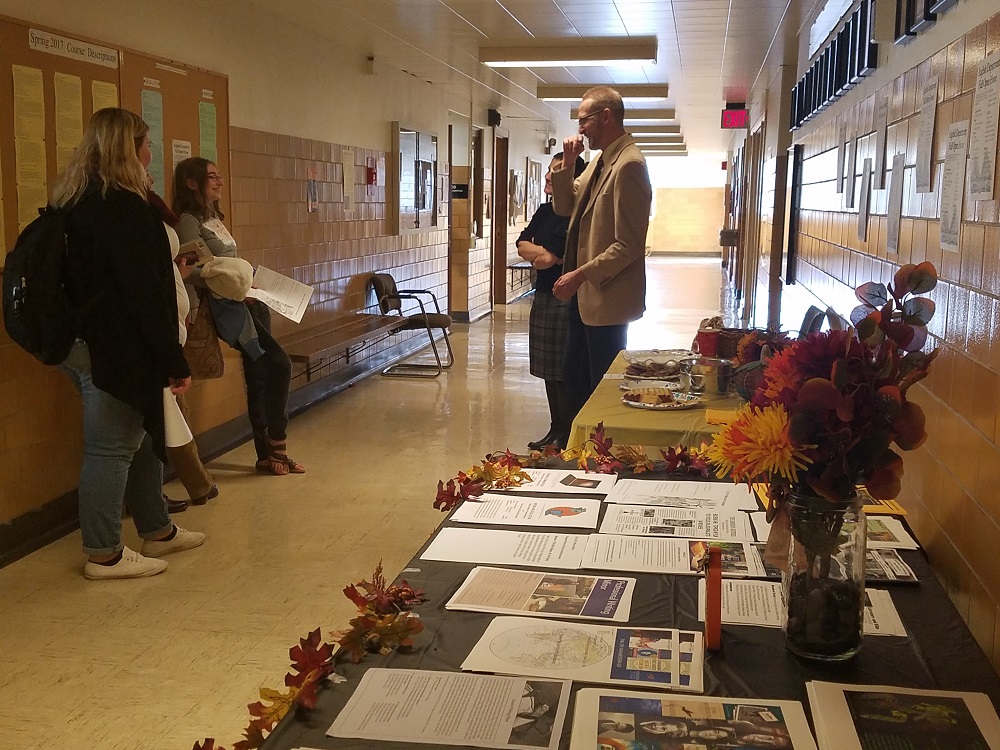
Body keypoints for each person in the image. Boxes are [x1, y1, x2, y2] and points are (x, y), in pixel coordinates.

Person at [54, 107, 206, 580]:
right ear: (129, 150)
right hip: (114, 348)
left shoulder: (75, 199)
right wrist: (173, 360)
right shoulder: (126, 211)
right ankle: (104, 554)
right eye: (146, 145)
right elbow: (146, 298)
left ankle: (157, 528)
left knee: (135, 436)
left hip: (78, 343)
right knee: (111, 448)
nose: (150, 153)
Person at [172, 157, 305, 476]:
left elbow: (227, 262)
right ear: (191, 183)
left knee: (259, 375)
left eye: (219, 176)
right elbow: (192, 271)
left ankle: (266, 455)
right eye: (212, 177)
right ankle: (278, 443)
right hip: (229, 309)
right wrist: (235, 285)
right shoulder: (188, 222)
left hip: (249, 302)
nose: (219, 182)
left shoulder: (213, 217)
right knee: (280, 364)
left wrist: (248, 281)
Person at [550, 85, 652, 421]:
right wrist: (567, 164)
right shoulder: (599, 161)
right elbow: (565, 206)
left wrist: (580, 274)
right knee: (575, 376)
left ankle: (601, 446)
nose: (580, 129)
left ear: (606, 116)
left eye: (584, 120)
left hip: (607, 300)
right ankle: (581, 443)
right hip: (585, 298)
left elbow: (628, 245)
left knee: (601, 388)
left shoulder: (629, 165)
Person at [148, 189, 220, 511]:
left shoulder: (152, 212)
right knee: (168, 418)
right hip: (159, 342)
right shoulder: (134, 217)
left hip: (174, 333)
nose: (151, 176)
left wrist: (180, 272)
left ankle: (158, 495)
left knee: (175, 413)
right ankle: (191, 486)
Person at [517, 152, 586, 450]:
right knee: (546, 368)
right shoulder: (545, 211)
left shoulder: (576, 215)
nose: (548, 176)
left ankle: (568, 431)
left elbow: (544, 259)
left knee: (562, 370)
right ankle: (555, 428)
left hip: (565, 298)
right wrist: (541, 254)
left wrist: (541, 254)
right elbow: (522, 245)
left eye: (556, 170)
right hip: (543, 295)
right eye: (549, 169)